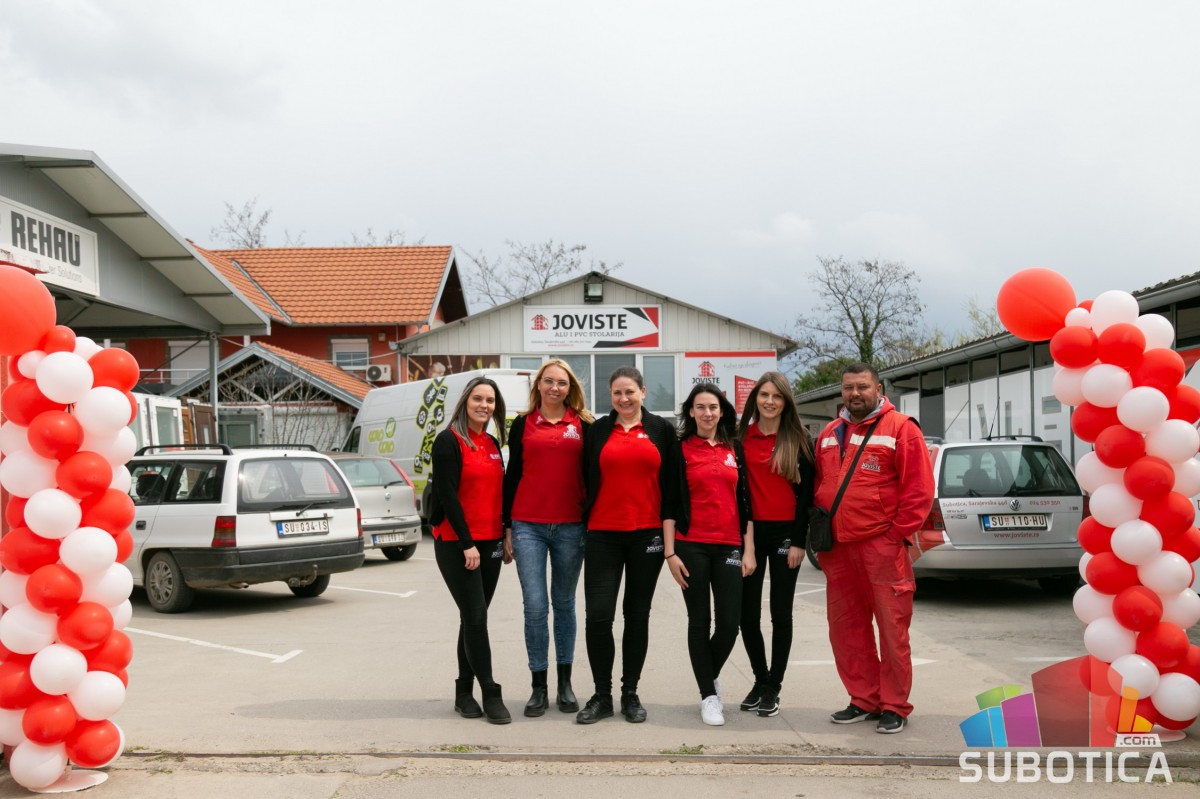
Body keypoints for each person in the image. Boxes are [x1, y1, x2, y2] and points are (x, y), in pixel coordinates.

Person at [815, 362, 934, 734]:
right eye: (848, 387)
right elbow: (820, 486)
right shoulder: (829, 433)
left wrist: (895, 536)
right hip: (838, 550)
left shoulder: (901, 428)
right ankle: (863, 699)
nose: (855, 394)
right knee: (846, 630)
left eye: (862, 386)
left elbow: (919, 491)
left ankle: (894, 705)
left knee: (892, 629)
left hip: (881, 546)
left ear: (879, 389)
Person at [576, 366, 677, 724]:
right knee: (598, 616)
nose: (624, 398)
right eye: (617, 393)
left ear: (642, 392)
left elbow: (673, 487)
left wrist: (670, 544)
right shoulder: (598, 430)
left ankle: (630, 693)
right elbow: (583, 478)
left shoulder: (662, 430)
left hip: (647, 536)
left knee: (636, 616)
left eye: (630, 392)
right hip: (603, 534)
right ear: (610, 395)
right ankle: (601, 695)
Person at [503, 359, 593, 718]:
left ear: (570, 388)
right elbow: (512, 474)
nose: (555, 388)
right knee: (536, 606)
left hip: (572, 527)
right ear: (538, 385)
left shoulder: (584, 424)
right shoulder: (522, 423)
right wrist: (506, 526)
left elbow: (595, 475)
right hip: (528, 525)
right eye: (549, 381)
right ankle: (538, 687)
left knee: (565, 604)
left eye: (562, 383)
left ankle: (565, 684)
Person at [664, 383, 754, 726]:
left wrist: (748, 548)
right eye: (700, 407)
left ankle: (707, 676)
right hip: (691, 545)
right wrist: (670, 553)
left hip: (729, 545)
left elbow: (745, 503)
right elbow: (669, 504)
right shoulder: (680, 449)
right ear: (691, 412)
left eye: (713, 407)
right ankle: (709, 696)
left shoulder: (735, 448)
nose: (707, 413)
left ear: (722, 411)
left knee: (730, 624)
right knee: (699, 622)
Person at [429, 376, 512, 724]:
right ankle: (490, 692)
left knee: (472, 618)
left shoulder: (491, 442)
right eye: (478, 398)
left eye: (490, 401)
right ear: (465, 401)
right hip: (457, 543)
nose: (484, 405)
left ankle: (463, 692)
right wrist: (467, 543)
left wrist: (505, 533)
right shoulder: (448, 441)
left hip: (491, 541)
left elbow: (499, 493)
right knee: (476, 617)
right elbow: (447, 495)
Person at [736, 371, 815, 718]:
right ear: (755, 399)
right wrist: (745, 543)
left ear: (786, 402)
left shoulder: (798, 439)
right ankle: (760, 679)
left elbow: (806, 496)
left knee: (780, 614)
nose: (770, 401)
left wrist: (799, 541)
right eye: (764, 395)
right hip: (750, 535)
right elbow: (738, 494)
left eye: (777, 396)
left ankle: (774, 687)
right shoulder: (740, 438)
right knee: (747, 615)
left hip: (786, 534)